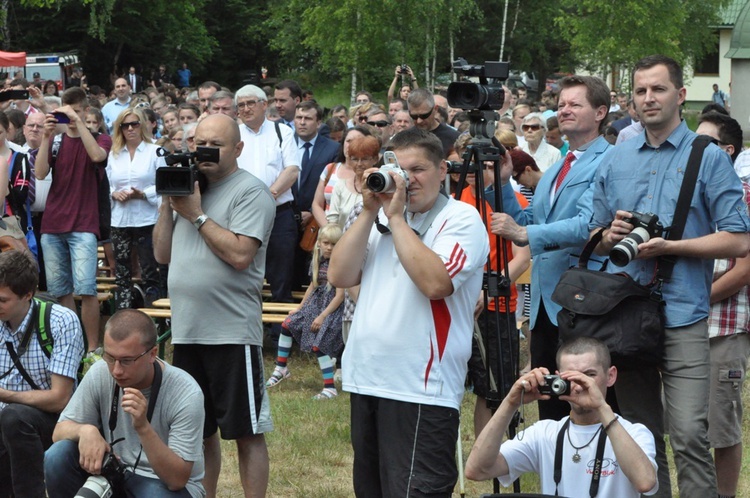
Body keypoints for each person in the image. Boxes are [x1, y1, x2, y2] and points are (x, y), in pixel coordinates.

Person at [589, 54, 750, 498]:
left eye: (658, 89)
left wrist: (673, 248)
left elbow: (739, 240)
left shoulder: (709, 157)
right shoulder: (616, 157)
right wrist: (609, 235)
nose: (648, 98)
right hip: (627, 313)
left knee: (689, 436)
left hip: (684, 315)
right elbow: (596, 235)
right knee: (642, 438)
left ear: (680, 95)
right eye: (641, 91)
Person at [328, 127, 489, 497]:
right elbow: (339, 275)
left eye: (417, 170)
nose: (406, 180)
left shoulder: (461, 219)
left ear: (442, 169)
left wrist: (397, 219)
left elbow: (435, 284)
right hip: (366, 377)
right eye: (398, 170)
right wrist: (370, 211)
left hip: (420, 385)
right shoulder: (378, 216)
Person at [152, 114, 276, 498]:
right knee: (198, 431)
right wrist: (168, 204)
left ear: (238, 149)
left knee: (245, 432)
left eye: (214, 145)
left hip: (231, 331)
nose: (203, 152)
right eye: (198, 143)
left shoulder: (251, 192)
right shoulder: (189, 189)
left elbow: (240, 255)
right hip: (188, 331)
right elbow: (161, 253)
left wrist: (196, 214)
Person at [491, 75, 612, 422]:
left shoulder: (610, 160)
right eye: (561, 104)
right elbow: (530, 218)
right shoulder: (560, 163)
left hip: (583, 297)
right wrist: (498, 184)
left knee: (583, 399)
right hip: (546, 300)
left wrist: (527, 233)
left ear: (601, 111)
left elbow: (588, 224)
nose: (564, 110)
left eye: (575, 104)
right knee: (548, 396)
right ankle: (555, 469)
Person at [465, 337, 658, 497]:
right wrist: (511, 402)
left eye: (589, 375)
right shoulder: (544, 433)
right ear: (557, 379)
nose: (580, 385)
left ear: (611, 376)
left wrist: (601, 407)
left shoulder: (634, 433)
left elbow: (645, 482)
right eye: (570, 378)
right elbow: (477, 469)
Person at [44, 309, 205, 497]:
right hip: (114, 472)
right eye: (110, 357)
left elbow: (177, 480)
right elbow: (58, 432)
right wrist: (85, 430)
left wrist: (143, 427)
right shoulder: (100, 372)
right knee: (57, 455)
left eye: (127, 361)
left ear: (152, 354)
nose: (116, 370)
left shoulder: (185, 393)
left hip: (161, 483)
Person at [694, 111, 749, 498]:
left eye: (704, 142)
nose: (694, 149)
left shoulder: (745, 194)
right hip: (683, 325)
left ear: (727, 151)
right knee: (685, 426)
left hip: (724, 329)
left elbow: (744, 269)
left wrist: (697, 298)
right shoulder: (690, 193)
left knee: (722, 427)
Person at [35, 86, 112, 356]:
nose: (71, 119)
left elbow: (97, 157)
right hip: (53, 224)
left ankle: (93, 348)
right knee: (60, 291)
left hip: (84, 223)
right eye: (67, 115)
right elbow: (40, 173)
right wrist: (46, 136)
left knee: (87, 289)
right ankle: (74, 343)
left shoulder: (100, 138)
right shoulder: (56, 140)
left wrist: (79, 123)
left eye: (77, 113)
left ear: (85, 111)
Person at [0, 250, 84, 497]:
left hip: (56, 421)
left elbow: (60, 399)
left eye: (3, 300)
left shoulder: (61, 321)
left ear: (28, 295)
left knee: (14, 418)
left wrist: (6, 396)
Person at [266, 224, 345, 399]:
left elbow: (339, 296)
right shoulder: (317, 260)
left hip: (332, 309)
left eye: (334, 244)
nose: (329, 247)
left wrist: (322, 316)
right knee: (288, 324)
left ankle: (329, 387)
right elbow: (313, 286)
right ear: (319, 243)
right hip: (316, 303)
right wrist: (299, 308)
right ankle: (281, 368)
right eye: (326, 243)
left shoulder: (340, 263)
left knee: (319, 344)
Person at [106, 108, 162, 309]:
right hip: (120, 220)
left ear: (142, 126)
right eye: (125, 125)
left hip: (147, 218)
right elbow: (107, 183)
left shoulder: (154, 151)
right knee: (122, 274)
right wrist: (113, 193)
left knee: (150, 272)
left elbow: (164, 184)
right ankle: (122, 318)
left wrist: (144, 193)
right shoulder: (114, 154)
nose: (130, 129)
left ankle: (154, 320)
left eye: (134, 124)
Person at [310, 126, 372, 228]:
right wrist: (329, 231)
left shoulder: (370, 174)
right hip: (328, 234)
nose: (351, 145)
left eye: (358, 141)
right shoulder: (330, 168)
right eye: (348, 141)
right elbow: (317, 204)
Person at [406, 88, 459, 158]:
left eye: (424, 115)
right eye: (414, 116)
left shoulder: (454, 138)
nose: (419, 121)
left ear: (435, 109)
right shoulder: (404, 139)